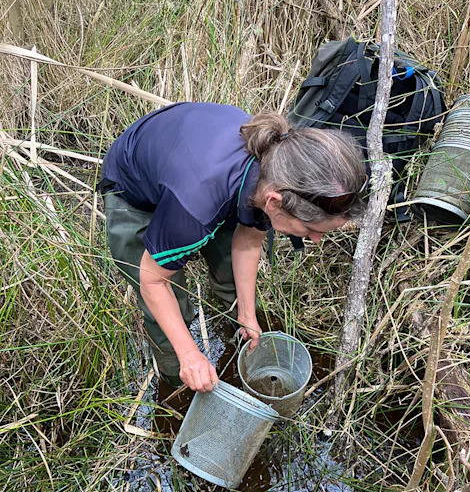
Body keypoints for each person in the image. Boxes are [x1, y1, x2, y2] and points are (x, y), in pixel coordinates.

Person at [101, 102, 366, 392]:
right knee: (168, 300)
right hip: (134, 187)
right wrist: (190, 354)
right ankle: (177, 379)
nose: (315, 240)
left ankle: (235, 327)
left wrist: (247, 315)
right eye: (311, 230)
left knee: (228, 265)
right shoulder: (196, 206)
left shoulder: (275, 168)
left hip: (189, 161)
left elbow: (249, 242)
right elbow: (152, 281)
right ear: (275, 202)